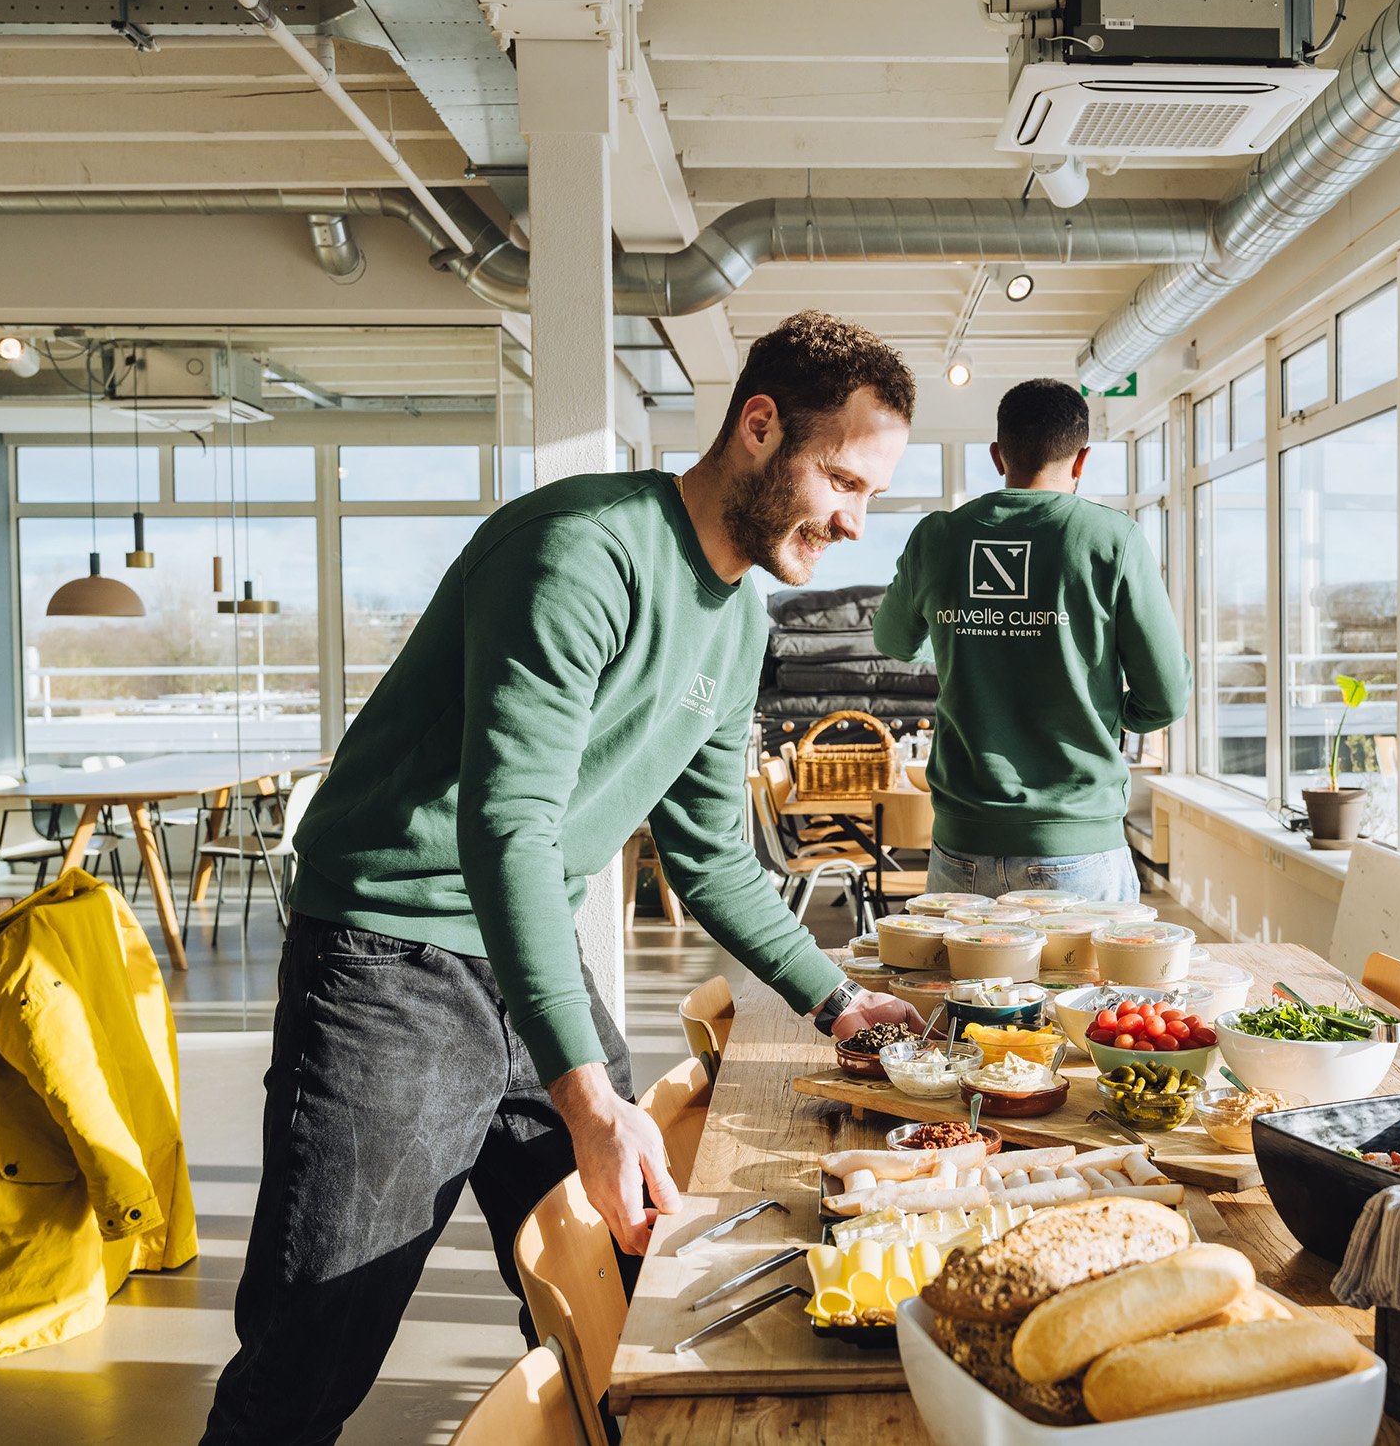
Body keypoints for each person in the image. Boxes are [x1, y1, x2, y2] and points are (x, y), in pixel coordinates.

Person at [204, 310, 926, 1446]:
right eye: (840, 478)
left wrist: (839, 999)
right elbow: (511, 827)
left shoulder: (738, 620)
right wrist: (588, 1095)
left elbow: (709, 854)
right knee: (311, 1358)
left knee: (625, 1288)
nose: (851, 519)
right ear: (757, 426)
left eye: (871, 494)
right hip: (387, 962)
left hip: (523, 953)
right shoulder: (579, 550)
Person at [875, 378, 1190, 901]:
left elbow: (892, 641)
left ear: (998, 455)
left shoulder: (937, 537)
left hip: (961, 848)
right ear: (1082, 459)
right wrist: (1108, 713)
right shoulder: (1112, 539)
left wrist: (964, 636)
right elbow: (1166, 696)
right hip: (1079, 845)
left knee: (961, 988)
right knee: (1088, 988)